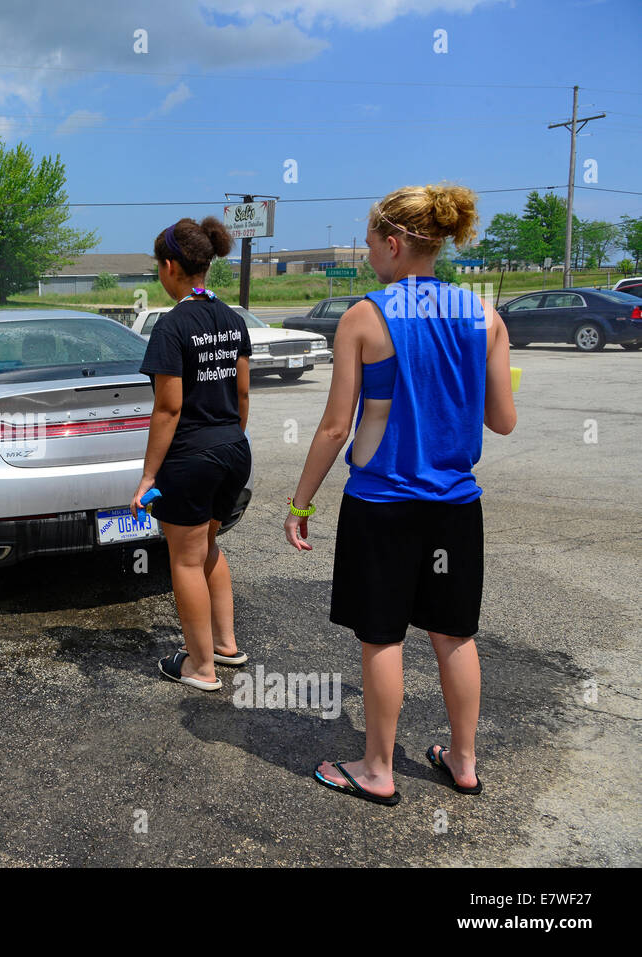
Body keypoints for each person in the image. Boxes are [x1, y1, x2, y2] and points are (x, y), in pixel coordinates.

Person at [284, 183, 517, 806]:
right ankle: (463, 761)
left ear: (393, 244)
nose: (368, 258)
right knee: (454, 635)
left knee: (383, 636)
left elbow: (337, 426)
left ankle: (378, 769)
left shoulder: (366, 315)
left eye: (369, 246)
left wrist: (301, 501)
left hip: (383, 506)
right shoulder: (484, 316)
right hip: (456, 508)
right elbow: (502, 420)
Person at [130, 217, 253, 692]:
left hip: (190, 457)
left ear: (169, 267)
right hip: (232, 448)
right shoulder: (232, 319)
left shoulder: (172, 326)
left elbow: (169, 406)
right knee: (209, 547)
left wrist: (148, 476)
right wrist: (227, 441)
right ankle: (225, 645)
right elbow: (243, 395)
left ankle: (200, 667)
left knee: (183, 559)